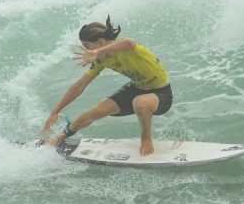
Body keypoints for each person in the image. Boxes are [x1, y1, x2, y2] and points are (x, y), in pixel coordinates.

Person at [41, 16, 172, 156]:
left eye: (87, 46)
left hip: (161, 94)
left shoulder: (125, 47)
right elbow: (79, 86)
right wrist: (55, 111)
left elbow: (129, 42)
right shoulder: (101, 60)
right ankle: (62, 135)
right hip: (137, 88)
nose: (86, 51)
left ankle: (146, 139)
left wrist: (97, 52)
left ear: (100, 42)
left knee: (140, 102)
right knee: (96, 111)